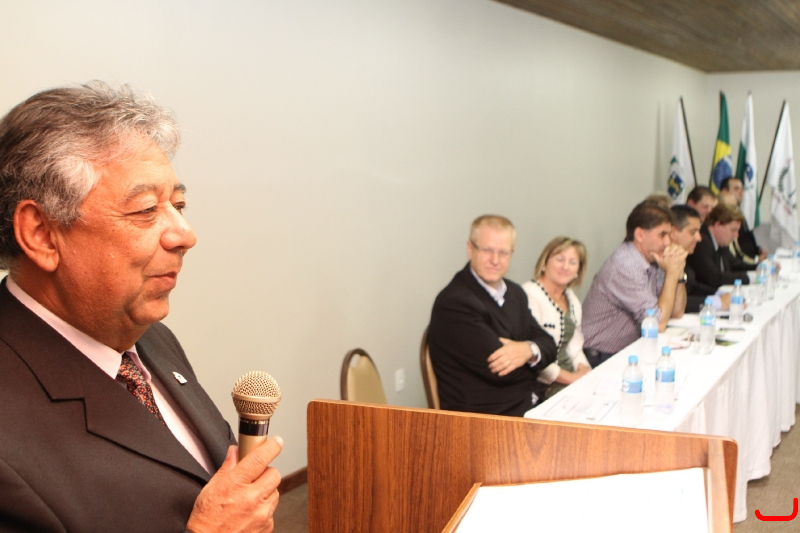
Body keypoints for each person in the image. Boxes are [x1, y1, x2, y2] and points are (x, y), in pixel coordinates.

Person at [0, 82, 282, 532]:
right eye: (146, 210)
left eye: (179, 204)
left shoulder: (148, 337)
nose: (185, 234)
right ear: (42, 234)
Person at [428, 215, 557, 416]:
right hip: (485, 419)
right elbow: (502, 372)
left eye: (503, 252)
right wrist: (535, 354)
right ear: (470, 249)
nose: (495, 260)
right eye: (487, 250)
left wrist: (527, 349)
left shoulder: (515, 293)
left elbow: (549, 344)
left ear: (512, 254)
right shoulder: (454, 303)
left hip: (527, 405)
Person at [582, 202, 687, 366]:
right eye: (662, 235)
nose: (668, 242)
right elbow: (657, 325)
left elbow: (676, 312)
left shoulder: (653, 259)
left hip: (626, 351)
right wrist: (672, 274)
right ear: (640, 235)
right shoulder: (626, 265)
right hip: (599, 357)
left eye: (669, 235)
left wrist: (678, 273)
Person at [521, 237, 591, 398]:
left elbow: (575, 348)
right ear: (544, 263)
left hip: (571, 379)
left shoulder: (571, 299)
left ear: (578, 271)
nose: (565, 267)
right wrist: (572, 379)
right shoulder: (529, 294)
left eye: (572, 262)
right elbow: (533, 356)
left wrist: (584, 370)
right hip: (542, 385)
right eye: (559, 259)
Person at [670, 205, 730, 313]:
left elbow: (692, 287)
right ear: (674, 232)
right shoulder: (659, 262)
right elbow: (672, 305)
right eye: (693, 232)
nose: (699, 238)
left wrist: (719, 293)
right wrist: (718, 302)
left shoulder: (681, 256)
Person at [686, 202, 753, 289]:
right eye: (733, 230)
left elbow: (735, 264)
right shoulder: (701, 242)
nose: (736, 235)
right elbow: (714, 278)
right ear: (718, 225)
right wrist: (750, 278)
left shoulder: (721, 241)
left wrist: (758, 267)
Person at [719, 177, 768, 264]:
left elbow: (747, 238)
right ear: (724, 191)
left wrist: (758, 250)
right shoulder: (722, 221)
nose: (741, 192)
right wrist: (756, 261)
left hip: (747, 260)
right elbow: (736, 252)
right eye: (736, 188)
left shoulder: (739, 212)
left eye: (742, 189)